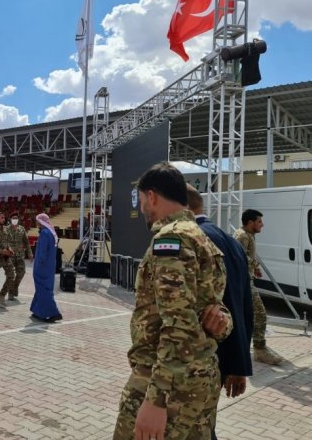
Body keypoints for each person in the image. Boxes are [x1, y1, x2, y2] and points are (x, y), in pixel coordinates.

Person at [113, 162, 232, 440]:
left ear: (151, 196)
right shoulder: (202, 238)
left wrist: (157, 399)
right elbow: (213, 310)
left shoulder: (171, 239)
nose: (143, 208)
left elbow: (178, 325)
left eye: (142, 201)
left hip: (168, 384)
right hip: (201, 380)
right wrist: (223, 322)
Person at [187, 185, 253, 440]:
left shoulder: (192, 239)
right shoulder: (232, 242)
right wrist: (239, 363)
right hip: (225, 353)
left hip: (199, 357)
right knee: (204, 424)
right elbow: (243, 306)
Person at [234, 209, 283, 365]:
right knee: (260, 313)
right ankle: (260, 350)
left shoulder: (248, 235)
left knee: (247, 315)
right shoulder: (242, 236)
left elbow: (247, 256)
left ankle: (248, 348)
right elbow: (240, 256)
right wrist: (254, 264)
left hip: (246, 279)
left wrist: (254, 268)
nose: (262, 225)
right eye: (259, 221)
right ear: (250, 222)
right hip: (243, 282)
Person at [30, 213, 62, 322]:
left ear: (41, 222)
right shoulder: (52, 232)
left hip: (42, 267)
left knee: (43, 290)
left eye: (37, 221)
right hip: (50, 266)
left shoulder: (44, 233)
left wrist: (38, 266)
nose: (36, 223)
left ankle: (54, 313)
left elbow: (42, 253)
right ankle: (38, 311)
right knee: (43, 288)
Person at [0, 212, 32, 301]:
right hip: (9, 256)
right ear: (10, 219)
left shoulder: (22, 229)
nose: (15, 220)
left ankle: (15, 287)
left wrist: (30, 253)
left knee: (21, 273)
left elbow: (26, 242)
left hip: (20, 255)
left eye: (16, 218)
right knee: (10, 275)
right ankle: (11, 293)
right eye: (13, 218)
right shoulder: (6, 229)